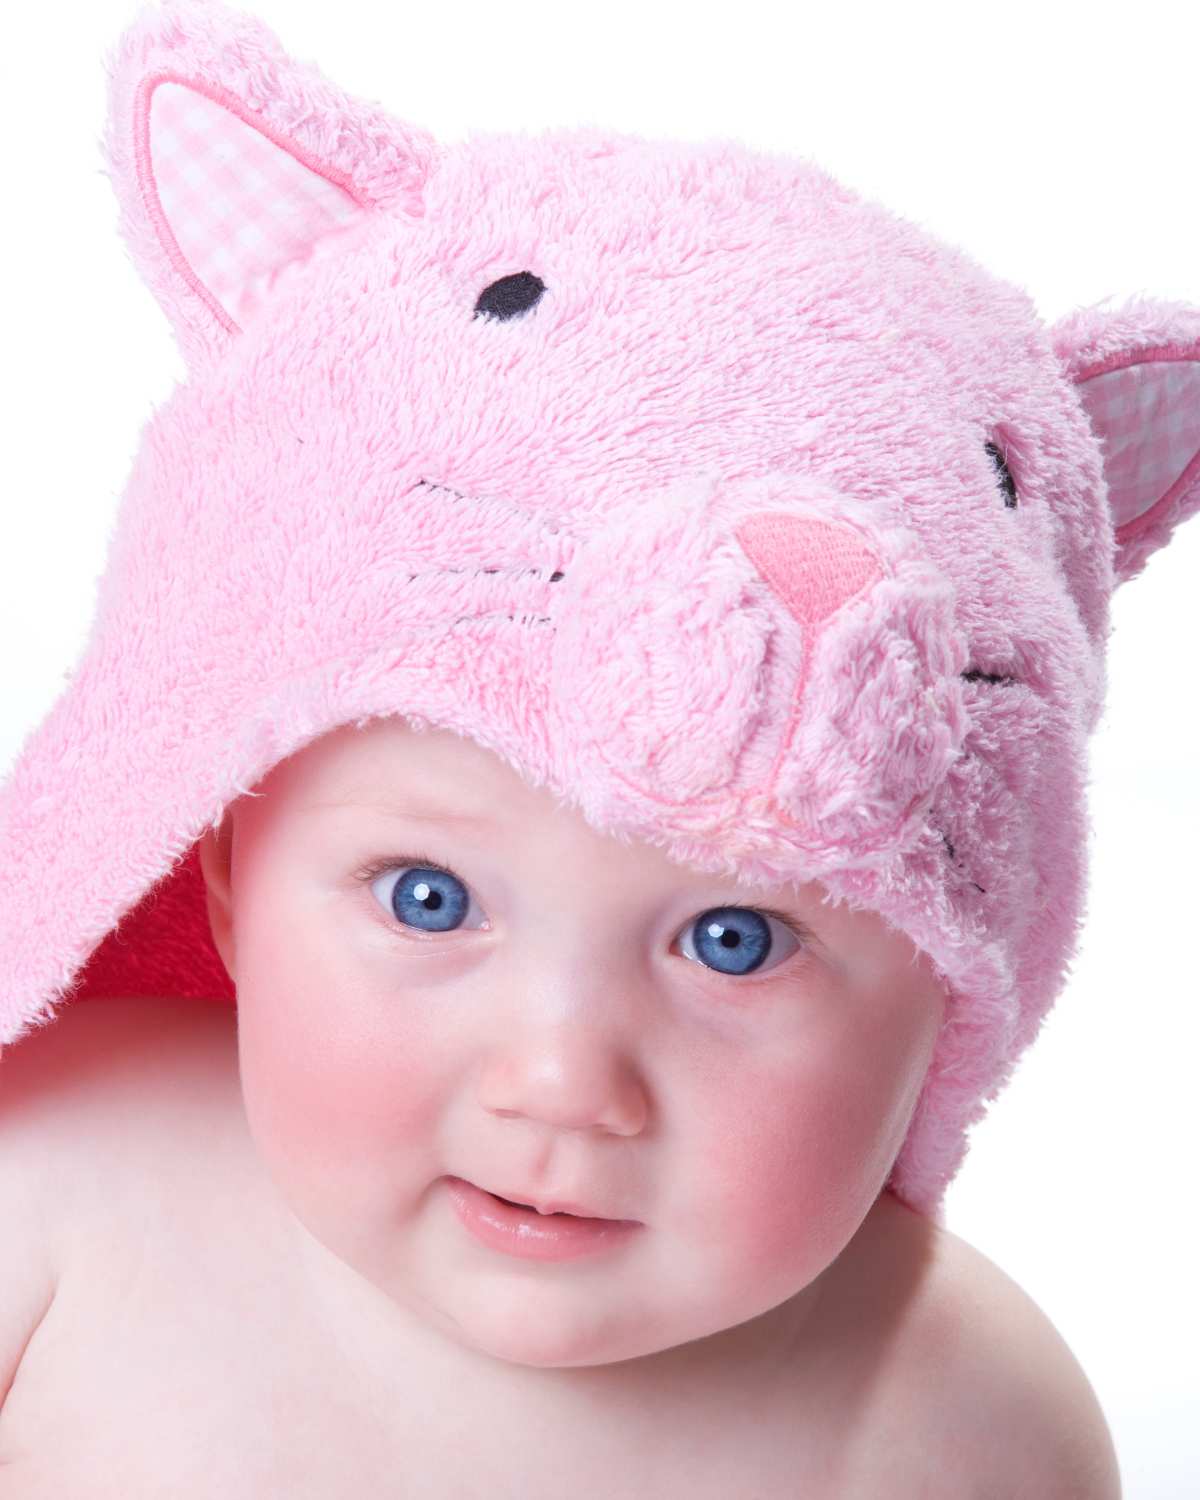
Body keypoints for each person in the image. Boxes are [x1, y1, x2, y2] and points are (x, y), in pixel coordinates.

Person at [6, 0, 1196, 1491]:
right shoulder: (60, 1188)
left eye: (736, 940)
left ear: (954, 998)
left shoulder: (958, 1430)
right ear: (229, 864)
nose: (564, 1079)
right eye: (429, 898)